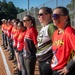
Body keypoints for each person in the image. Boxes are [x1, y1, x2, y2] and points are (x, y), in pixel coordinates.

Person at [51, 6, 75, 75]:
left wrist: (68, 67)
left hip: (64, 71)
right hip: (55, 68)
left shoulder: (69, 32)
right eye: (52, 16)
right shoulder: (55, 32)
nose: (53, 18)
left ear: (65, 17)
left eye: (56, 16)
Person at [36, 7, 57, 75]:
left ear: (48, 15)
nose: (39, 16)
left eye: (41, 14)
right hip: (41, 60)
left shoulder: (51, 26)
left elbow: (57, 43)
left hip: (47, 59)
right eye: (38, 15)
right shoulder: (44, 27)